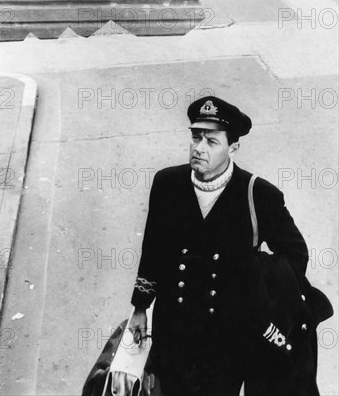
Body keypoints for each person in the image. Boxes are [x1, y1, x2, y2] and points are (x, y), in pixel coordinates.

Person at [128, 96, 321, 396]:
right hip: (173, 326)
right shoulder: (168, 184)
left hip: (228, 335)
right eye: (195, 137)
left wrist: (261, 289)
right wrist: (140, 307)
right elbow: (154, 247)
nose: (198, 148)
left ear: (233, 146)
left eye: (211, 141)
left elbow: (296, 254)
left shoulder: (258, 194)